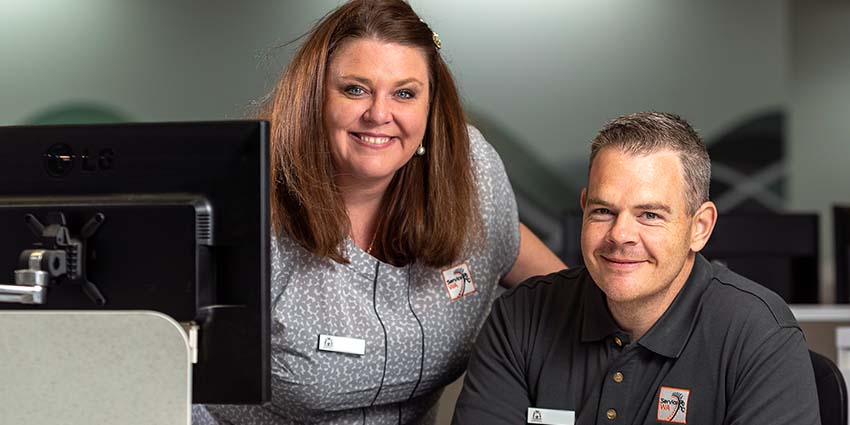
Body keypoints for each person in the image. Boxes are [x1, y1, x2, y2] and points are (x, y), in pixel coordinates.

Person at [193, 0, 565, 423]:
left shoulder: (469, 167)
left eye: (404, 93)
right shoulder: (247, 206)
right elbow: (154, 360)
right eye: (355, 89)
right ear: (314, 99)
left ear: (430, 106)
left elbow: (518, 255)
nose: (379, 114)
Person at [453, 112, 820, 425]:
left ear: (700, 227)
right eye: (603, 211)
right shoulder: (519, 319)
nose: (620, 235)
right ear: (584, 208)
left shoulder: (758, 334)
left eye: (649, 215)